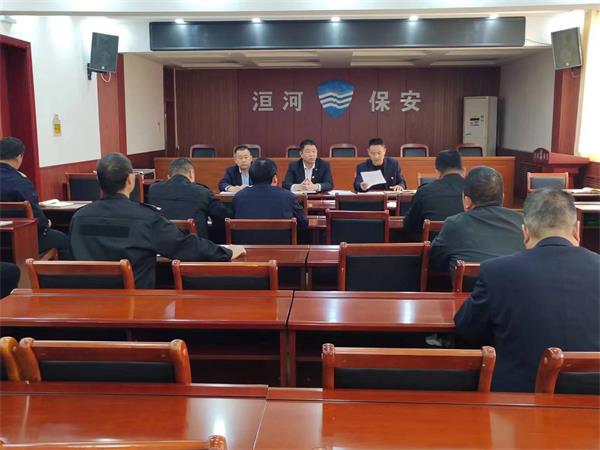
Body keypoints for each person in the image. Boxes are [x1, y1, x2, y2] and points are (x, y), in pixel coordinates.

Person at [454, 189, 600, 392]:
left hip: (516, 399)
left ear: (525, 232)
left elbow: (467, 329)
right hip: (592, 399)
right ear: (576, 229)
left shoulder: (496, 271)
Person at [70, 153, 245, 288]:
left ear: (98, 180)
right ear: (131, 180)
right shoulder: (145, 218)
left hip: (88, 303)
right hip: (134, 306)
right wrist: (226, 252)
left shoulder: (78, 218)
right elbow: (183, 246)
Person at [430, 166, 525, 274]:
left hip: (470, 284)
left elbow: (434, 261)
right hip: (518, 283)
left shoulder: (454, 224)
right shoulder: (523, 221)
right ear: (502, 198)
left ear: (467, 201)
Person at [0, 136, 70, 259]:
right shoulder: (20, 181)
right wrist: (46, 223)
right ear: (18, 157)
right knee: (63, 239)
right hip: (21, 240)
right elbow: (35, 215)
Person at [148, 158, 229, 239]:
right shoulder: (202, 192)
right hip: (194, 244)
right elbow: (223, 216)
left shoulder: (153, 189)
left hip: (162, 243)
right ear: (191, 173)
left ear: (169, 177)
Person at [233, 158, 308, 228]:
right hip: (280, 238)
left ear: (251, 177)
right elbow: (304, 223)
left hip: (246, 238)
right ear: (274, 178)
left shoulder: (238, 197)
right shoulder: (289, 197)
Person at [403, 150, 465, 232]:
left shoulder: (424, 191)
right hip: (469, 239)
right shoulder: (473, 189)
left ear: (437, 171)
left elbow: (409, 225)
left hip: (434, 239)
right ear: (462, 169)